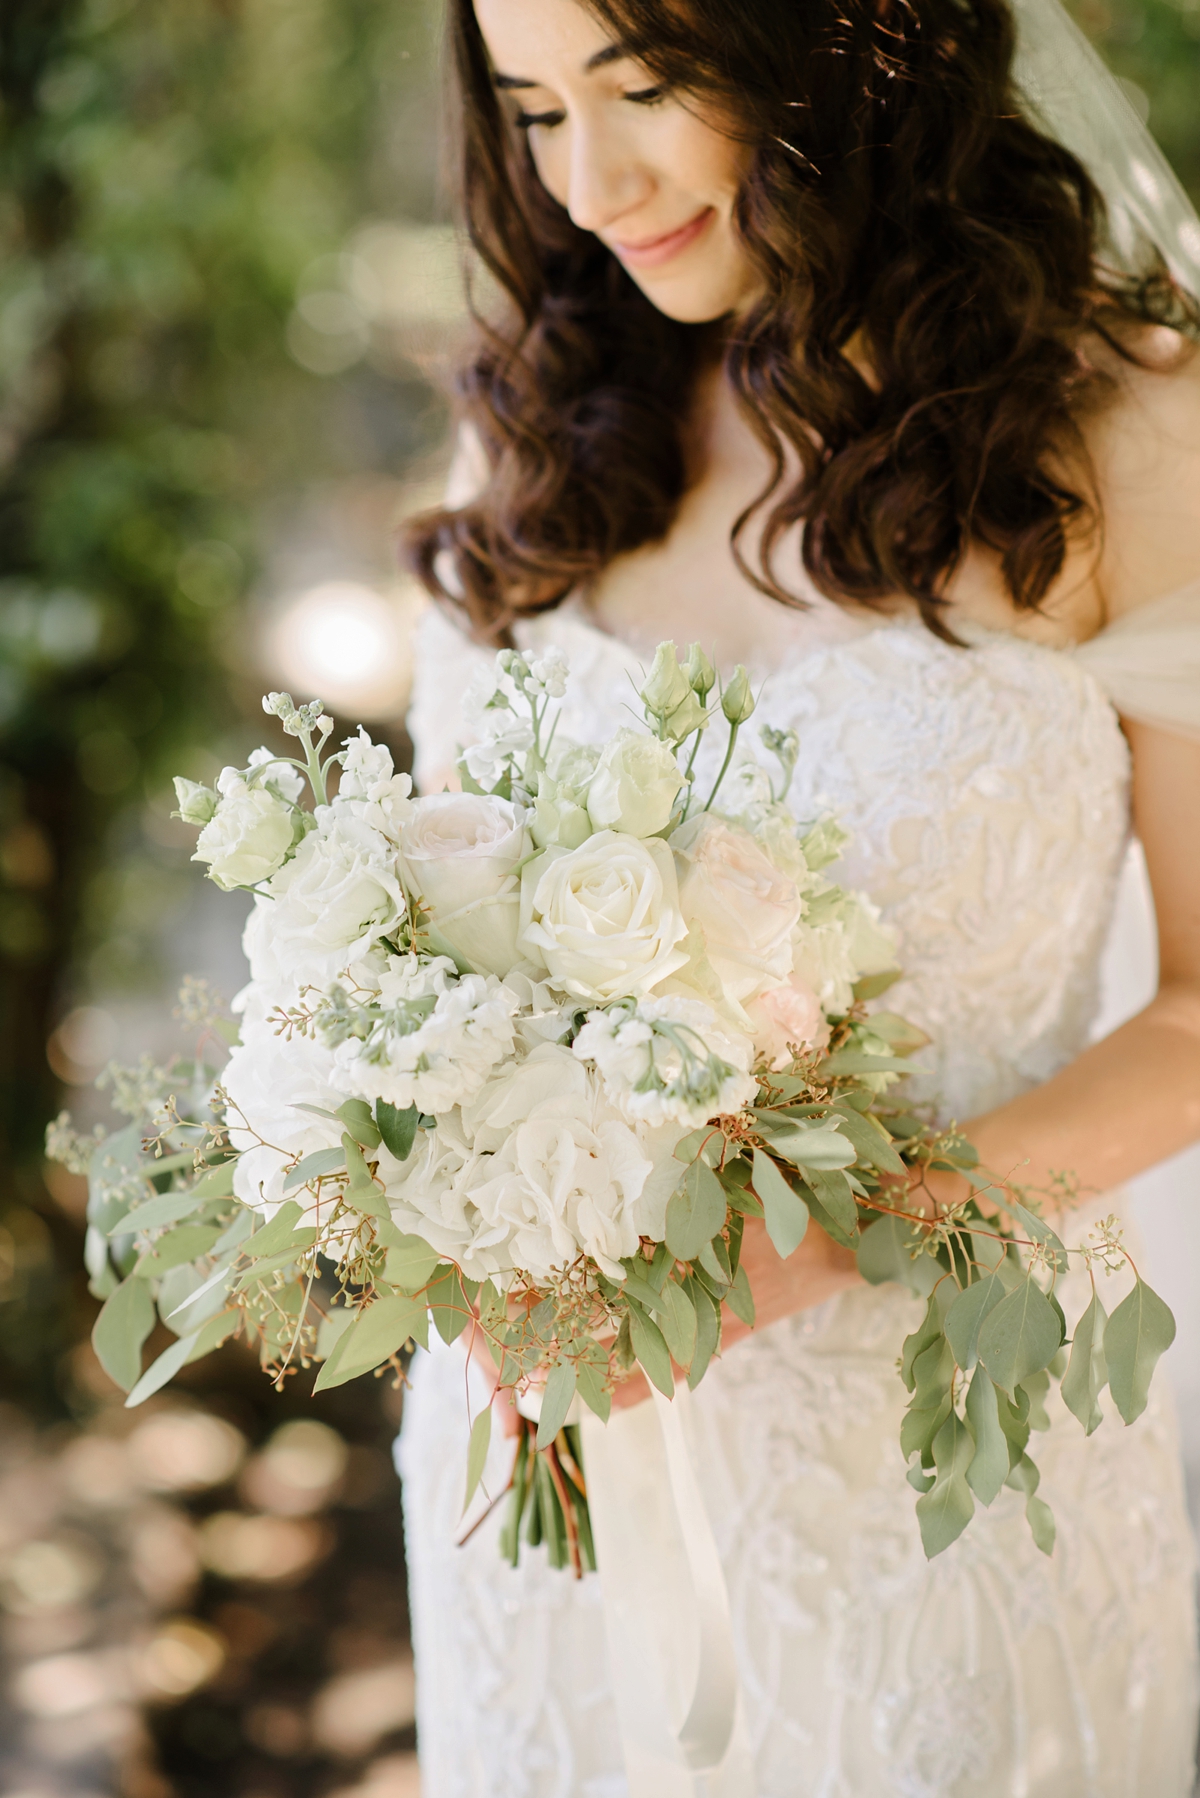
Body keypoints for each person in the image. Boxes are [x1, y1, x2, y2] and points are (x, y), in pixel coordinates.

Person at [395, 0, 1200, 1790]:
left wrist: (827, 1237)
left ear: (842, 42)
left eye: (649, 86)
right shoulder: (535, 432)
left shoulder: (1126, 425)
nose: (589, 183)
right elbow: (434, 941)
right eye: (532, 110)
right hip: (555, 1474)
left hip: (946, 1456)